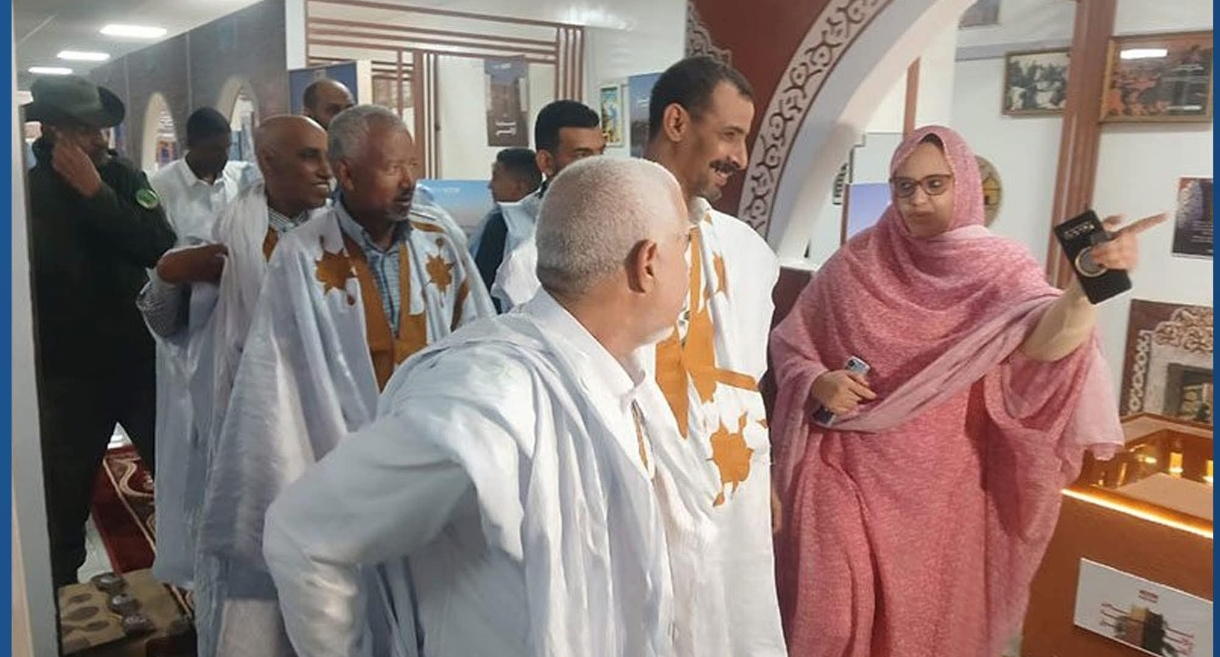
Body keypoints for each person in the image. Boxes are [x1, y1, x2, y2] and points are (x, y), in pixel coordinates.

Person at [264, 157, 731, 657]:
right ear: (648, 263)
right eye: (684, 245)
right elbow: (305, 534)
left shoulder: (621, 375)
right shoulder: (488, 401)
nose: (690, 266)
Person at [769, 125, 1166, 657]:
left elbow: (1045, 344)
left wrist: (1086, 284)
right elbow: (791, 343)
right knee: (833, 619)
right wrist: (819, 380)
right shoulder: (855, 263)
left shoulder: (1000, 267)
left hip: (940, 490)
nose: (918, 200)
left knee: (917, 627)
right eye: (904, 186)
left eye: (935, 184)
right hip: (843, 471)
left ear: (966, 186)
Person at [197, 105, 494, 657]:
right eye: (392, 168)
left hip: (432, 455)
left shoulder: (440, 240)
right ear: (348, 173)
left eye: (412, 165)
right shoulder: (301, 255)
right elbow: (278, 384)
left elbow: (478, 340)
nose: (409, 181)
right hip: (338, 453)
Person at [136, 116, 331, 616]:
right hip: (246, 412)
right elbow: (163, 323)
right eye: (309, 156)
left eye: (326, 155)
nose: (325, 169)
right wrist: (168, 276)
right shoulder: (222, 229)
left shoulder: (338, 231)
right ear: (268, 161)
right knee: (250, 559)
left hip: (325, 411)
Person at [642, 56, 787, 656]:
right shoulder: (591, 231)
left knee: (728, 623)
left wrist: (761, 475)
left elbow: (746, 383)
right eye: (730, 135)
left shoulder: (746, 252)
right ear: (677, 122)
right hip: (635, 486)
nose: (741, 157)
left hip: (726, 485)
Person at [23, 74, 177, 589]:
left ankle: (190, 586)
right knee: (62, 506)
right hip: (67, 376)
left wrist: (96, 194)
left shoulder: (123, 178)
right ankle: (62, 606)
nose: (99, 138)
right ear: (53, 131)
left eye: (100, 128)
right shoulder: (28, 193)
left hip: (136, 361)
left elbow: (159, 244)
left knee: (175, 478)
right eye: (86, 129)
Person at [482, 100, 604, 310]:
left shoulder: (615, 221)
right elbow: (482, 309)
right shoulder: (507, 226)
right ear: (546, 162)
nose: (598, 167)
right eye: (582, 155)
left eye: (601, 153)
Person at [150, 106, 259, 244]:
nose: (223, 157)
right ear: (190, 144)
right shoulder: (161, 188)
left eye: (227, 148)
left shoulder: (238, 178)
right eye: (214, 150)